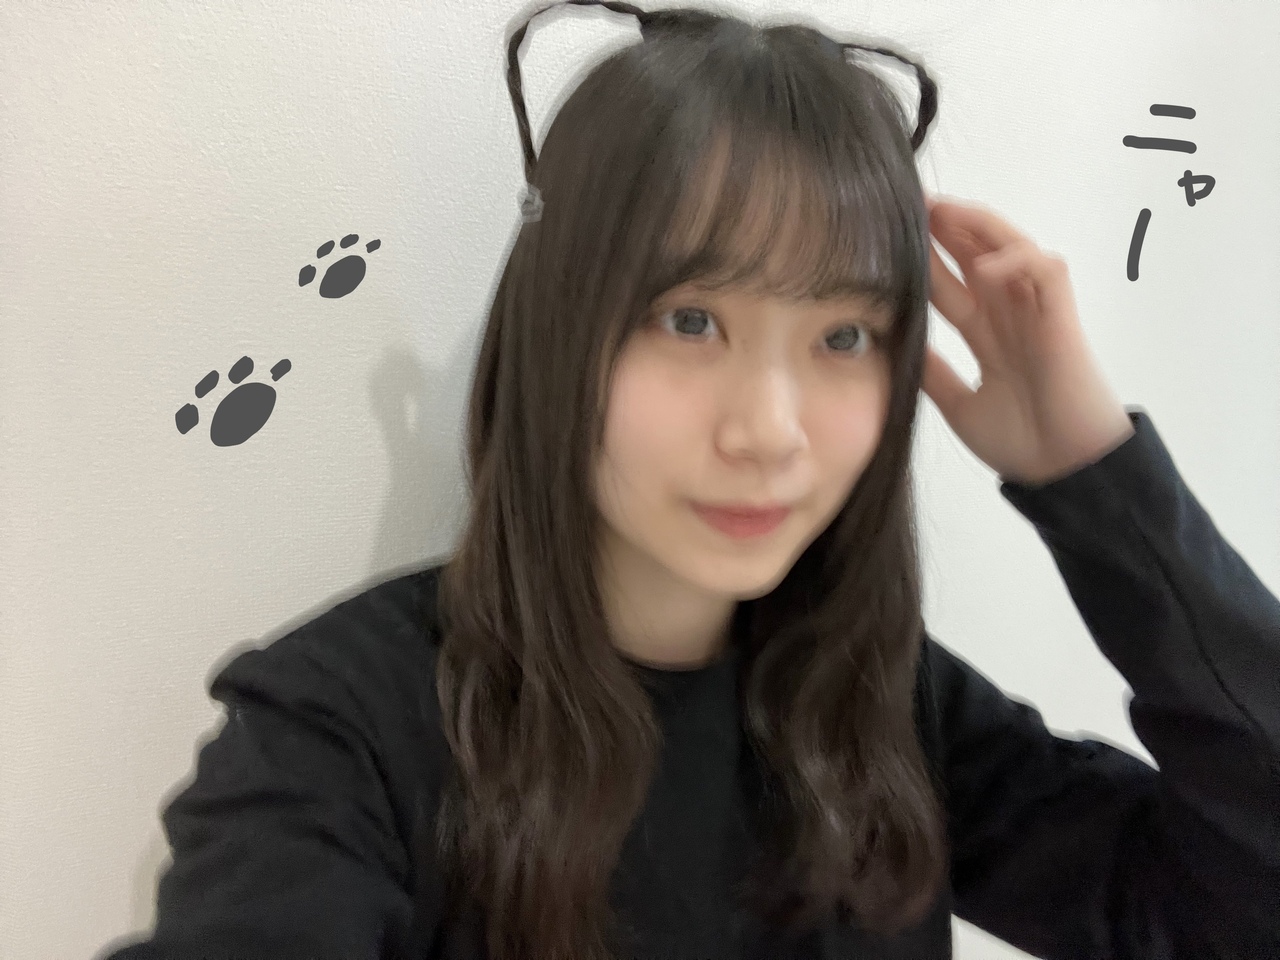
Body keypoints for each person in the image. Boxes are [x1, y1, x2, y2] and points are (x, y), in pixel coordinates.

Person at [99, 3, 1280, 959]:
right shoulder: (340, 732)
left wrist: (1095, 480)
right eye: (690, 319)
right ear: (562, 326)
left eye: (842, 336)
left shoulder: (876, 705)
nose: (768, 432)